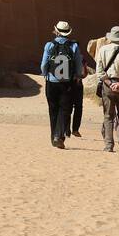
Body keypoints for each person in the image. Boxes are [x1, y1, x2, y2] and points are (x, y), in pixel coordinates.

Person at [40, 21, 83, 149]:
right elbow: (78, 64)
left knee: (53, 110)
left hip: (52, 83)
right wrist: (77, 76)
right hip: (67, 83)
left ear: (56, 31)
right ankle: (60, 136)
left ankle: (54, 136)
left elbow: (43, 64)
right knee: (65, 110)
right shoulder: (74, 46)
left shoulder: (49, 45)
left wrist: (45, 74)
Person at [66, 43, 96, 139]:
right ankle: (75, 129)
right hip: (78, 84)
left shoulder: (66, 57)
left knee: (67, 107)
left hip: (67, 84)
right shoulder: (81, 58)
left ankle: (67, 130)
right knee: (78, 107)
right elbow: (85, 73)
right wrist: (80, 77)